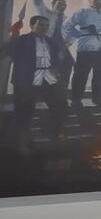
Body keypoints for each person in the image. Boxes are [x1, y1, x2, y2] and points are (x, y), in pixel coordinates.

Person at [2, 16, 67, 155]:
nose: (44, 28)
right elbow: (4, 51)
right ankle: (21, 144)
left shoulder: (51, 42)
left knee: (60, 104)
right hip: (26, 79)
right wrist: (12, 35)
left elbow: (60, 59)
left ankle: (54, 134)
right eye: (41, 25)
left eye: (46, 25)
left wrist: (57, 69)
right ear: (32, 26)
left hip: (48, 78)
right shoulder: (21, 40)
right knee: (24, 111)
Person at [32, 0, 74, 95]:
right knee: (44, 68)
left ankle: (62, 91)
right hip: (46, 45)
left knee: (68, 64)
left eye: (64, 4)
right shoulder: (46, 13)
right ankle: (42, 93)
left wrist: (68, 43)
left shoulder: (67, 20)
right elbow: (36, 1)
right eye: (59, 3)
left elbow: (72, 34)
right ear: (53, 4)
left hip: (61, 47)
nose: (62, 5)